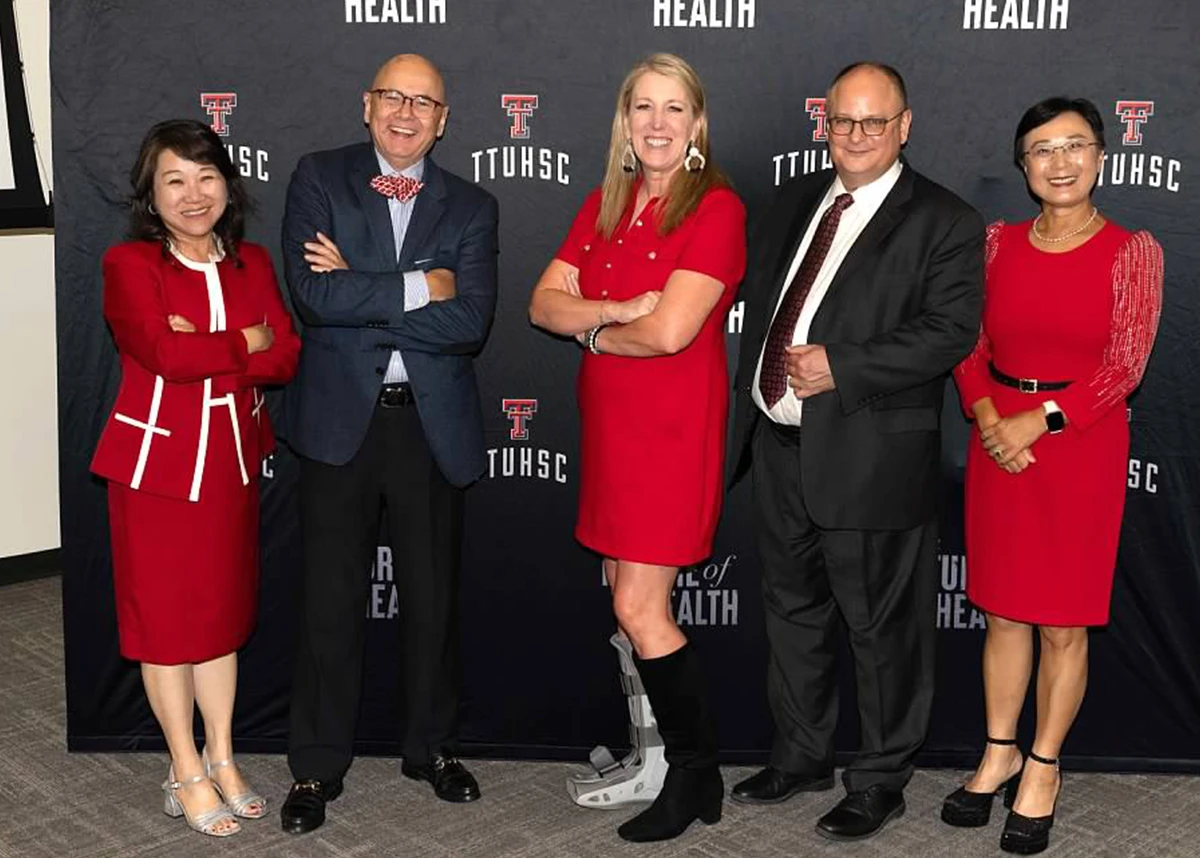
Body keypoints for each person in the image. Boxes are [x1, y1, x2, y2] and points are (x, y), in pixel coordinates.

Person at [727, 62, 985, 841]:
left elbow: (950, 332)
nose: (857, 136)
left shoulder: (944, 219)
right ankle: (802, 753)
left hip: (873, 457)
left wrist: (844, 363)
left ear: (905, 125)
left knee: (882, 628)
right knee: (792, 612)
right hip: (779, 446)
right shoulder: (796, 198)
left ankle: (879, 778)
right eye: (843, 121)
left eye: (875, 122)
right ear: (825, 124)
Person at [278, 53, 498, 835]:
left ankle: (432, 749)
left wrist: (360, 285)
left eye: (425, 102)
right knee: (328, 604)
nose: (407, 113)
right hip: (340, 423)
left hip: (429, 426)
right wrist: (418, 284)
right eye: (393, 97)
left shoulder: (472, 205)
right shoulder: (318, 176)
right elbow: (312, 296)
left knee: (433, 602)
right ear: (367, 104)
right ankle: (315, 766)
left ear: (444, 120)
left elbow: (469, 322)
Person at [529, 53, 746, 842]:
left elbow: (671, 332)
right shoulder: (604, 204)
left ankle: (696, 776)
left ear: (697, 125)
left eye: (674, 109)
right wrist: (608, 310)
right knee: (626, 600)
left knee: (638, 606)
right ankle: (652, 758)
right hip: (612, 430)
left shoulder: (716, 209)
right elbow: (541, 304)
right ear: (625, 122)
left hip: (669, 433)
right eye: (643, 108)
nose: (657, 123)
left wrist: (595, 324)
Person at [942, 97, 1162, 855]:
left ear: (1102, 156)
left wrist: (1038, 422)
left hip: (1078, 448)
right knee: (1003, 613)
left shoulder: (1133, 251)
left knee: (1063, 624)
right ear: (1023, 164)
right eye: (1042, 149)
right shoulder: (995, 244)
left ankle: (1043, 766)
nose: (1060, 162)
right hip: (997, 440)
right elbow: (966, 341)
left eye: (1075, 145)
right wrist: (985, 413)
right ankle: (999, 750)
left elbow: (1124, 367)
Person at [90, 119, 300, 837]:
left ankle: (224, 756)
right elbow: (163, 357)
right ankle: (184, 768)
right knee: (166, 628)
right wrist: (246, 339)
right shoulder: (130, 266)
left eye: (206, 176)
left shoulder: (255, 265)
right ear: (150, 195)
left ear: (228, 185)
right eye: (174, 180)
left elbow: (287, 358)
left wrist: (206, 343)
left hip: (230, 469)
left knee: (217, 624)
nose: (193, 193)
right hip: (154, 472)